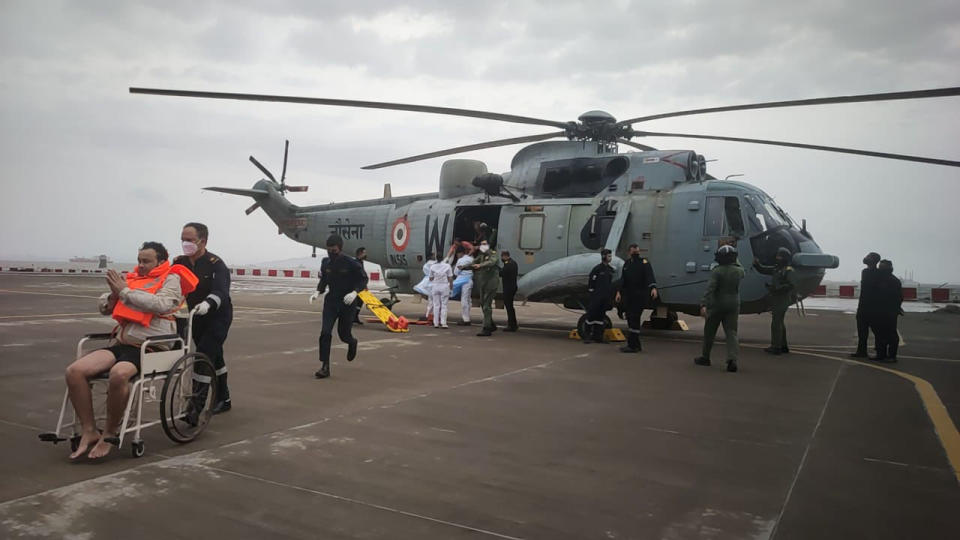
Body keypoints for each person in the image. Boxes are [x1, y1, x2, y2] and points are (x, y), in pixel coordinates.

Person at [65, 242, 196, 459]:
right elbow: (105, 308)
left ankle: (109, 433)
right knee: (74, 371)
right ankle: (89, 430)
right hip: (123, 344)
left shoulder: (171, 279)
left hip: (152, 346)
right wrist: (113, 297)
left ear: (161, 261)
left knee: (119, 374)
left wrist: (124, 291)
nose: (141, 265)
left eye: (146, 261)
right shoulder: (132, 279)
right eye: (139, 261)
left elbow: (162, 304)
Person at [174, 222, 234, 414]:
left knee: (203, 355)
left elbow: (221, 291)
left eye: (190, 240)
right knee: (215, 357)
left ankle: (195, 408)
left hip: (218, 316)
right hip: (196, 317)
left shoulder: (216, 264)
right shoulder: (179, 263)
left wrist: (208, 302)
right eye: (183, 239)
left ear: (203, 241)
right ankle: (224, 399)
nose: (185, 243)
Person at [309, 234, 368, 379]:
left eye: (334, 251)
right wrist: (318, 291)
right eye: (329, 250)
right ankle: (325, 366)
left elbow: (363, 279)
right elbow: (324, 279)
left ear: (340, 249)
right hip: (331, 302)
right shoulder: (326, 262)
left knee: (344, 334)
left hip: (347, 303)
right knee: (325, 333)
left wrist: (355, 292)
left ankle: (352, 342)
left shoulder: (352, 263)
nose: (331, 253)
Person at [695, 245, 744, 372]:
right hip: (733, 304)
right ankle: (732, 360)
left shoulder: (717, 271)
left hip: (717, 305)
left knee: (709, 332)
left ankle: (705, 357)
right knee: (731, 333)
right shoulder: (739, 271)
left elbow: (710, 289)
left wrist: (703, 304)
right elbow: (739, 266)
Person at [615, 244, 658, 353]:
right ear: (629, 252)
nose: (635, 254)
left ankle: (632, 345)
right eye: (634, 252)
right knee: (630, 318)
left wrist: (653, 287)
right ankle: (636, 345)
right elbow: (623, 280)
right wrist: (619, 292)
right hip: (629, 296)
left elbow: (649, 275)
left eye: (637, 252)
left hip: (639, 296)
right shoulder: (627, 264)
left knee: (634, 319)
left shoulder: (644, 263)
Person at [753, 247, 797, 355]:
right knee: (780, 322)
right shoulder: (777, 268)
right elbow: (763, 269)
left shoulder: (788, 270)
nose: (777, 258)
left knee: (776, 323)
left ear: (785, 258)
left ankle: (776, 347)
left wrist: (777, 288)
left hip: (782, 299)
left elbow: (791, 285)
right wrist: (757, 264)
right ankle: (783, 346)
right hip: (777, 299)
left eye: (779, 256)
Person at [850, 252, 881, 358]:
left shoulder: (872, 272)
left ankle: (877, 351)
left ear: (873, 260)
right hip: (865, 305)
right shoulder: (868, 272)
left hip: (870, 306)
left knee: (874, 331)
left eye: (868, 256)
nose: (866, 258)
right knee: (863, 331)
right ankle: (862, 351)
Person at [872, 259, 903, 362]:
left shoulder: (893, 281)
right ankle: (881, 354)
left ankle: (892, 356)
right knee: (879, 333)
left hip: (889, 311)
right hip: (879, 310)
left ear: (889, 268)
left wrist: (895, 309)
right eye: (880, 267)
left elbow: (898, 297)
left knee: (891, 334)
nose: (880, 269)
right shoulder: (879, 280)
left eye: (882, 267)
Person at [583, 249, 616, 344]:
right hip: (596, 297)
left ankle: (598, 336)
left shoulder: (610, 270)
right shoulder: (597, 269)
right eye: (609, 256)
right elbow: (591, 283)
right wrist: (592, 295)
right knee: (591, 315)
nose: (610, 258)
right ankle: (587, 335)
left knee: (601, 317)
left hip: (605, 297)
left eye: (610, 256)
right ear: (603, 256)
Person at [472, 240, 500, 336]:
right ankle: (491, 324)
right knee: (483, 304)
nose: (482, 246)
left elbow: (491, 262)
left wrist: (480, 265)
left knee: (486, 306)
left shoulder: (493, 254)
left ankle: (486, 328)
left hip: (491, 284)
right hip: (483, 284)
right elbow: (473, 262)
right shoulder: (481, 256)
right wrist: (463, 266)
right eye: (481, 244)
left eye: (484, 244)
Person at [429, 255, 454, 328]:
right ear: (443, 258)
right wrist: (451, 287)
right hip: (444, 286)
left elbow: (430, 278)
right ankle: (443, 323)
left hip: (435, 286)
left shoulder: (432, 266)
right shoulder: (447, 266)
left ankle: (436, 323)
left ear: (436, 258)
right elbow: (450, 278)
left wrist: (436, 277)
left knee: (436, 305)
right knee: (444, 305)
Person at [453, 245, 475, 325]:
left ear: (460, 253)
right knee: (468, 300)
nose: (457, 256)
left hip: (462, 280)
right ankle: (467, 317)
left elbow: (455, 272)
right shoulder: (471, 259)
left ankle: (466, 320)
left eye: (457, 254)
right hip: (469, 280)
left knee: (464, 300)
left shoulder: (460, 260)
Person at [500, 251, 519, 332]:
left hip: (509, 288)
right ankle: (513, 324)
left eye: (502, 257)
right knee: (510, 307)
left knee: (509, 307)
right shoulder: (513, 263)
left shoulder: (509, 264)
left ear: (505, 256)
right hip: (512, 287)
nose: (502, 259)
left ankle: (511, 325)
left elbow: (502, 273)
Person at [352, 247, 368, 325]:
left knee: (360, 302)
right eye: (364, 252)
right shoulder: (355, 263)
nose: (365, 254)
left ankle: (355, 317)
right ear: (360, 253)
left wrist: (364, 285)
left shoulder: (361, 262)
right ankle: (350, 318)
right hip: (355, 287)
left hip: (360, 286)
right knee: (354, 303)